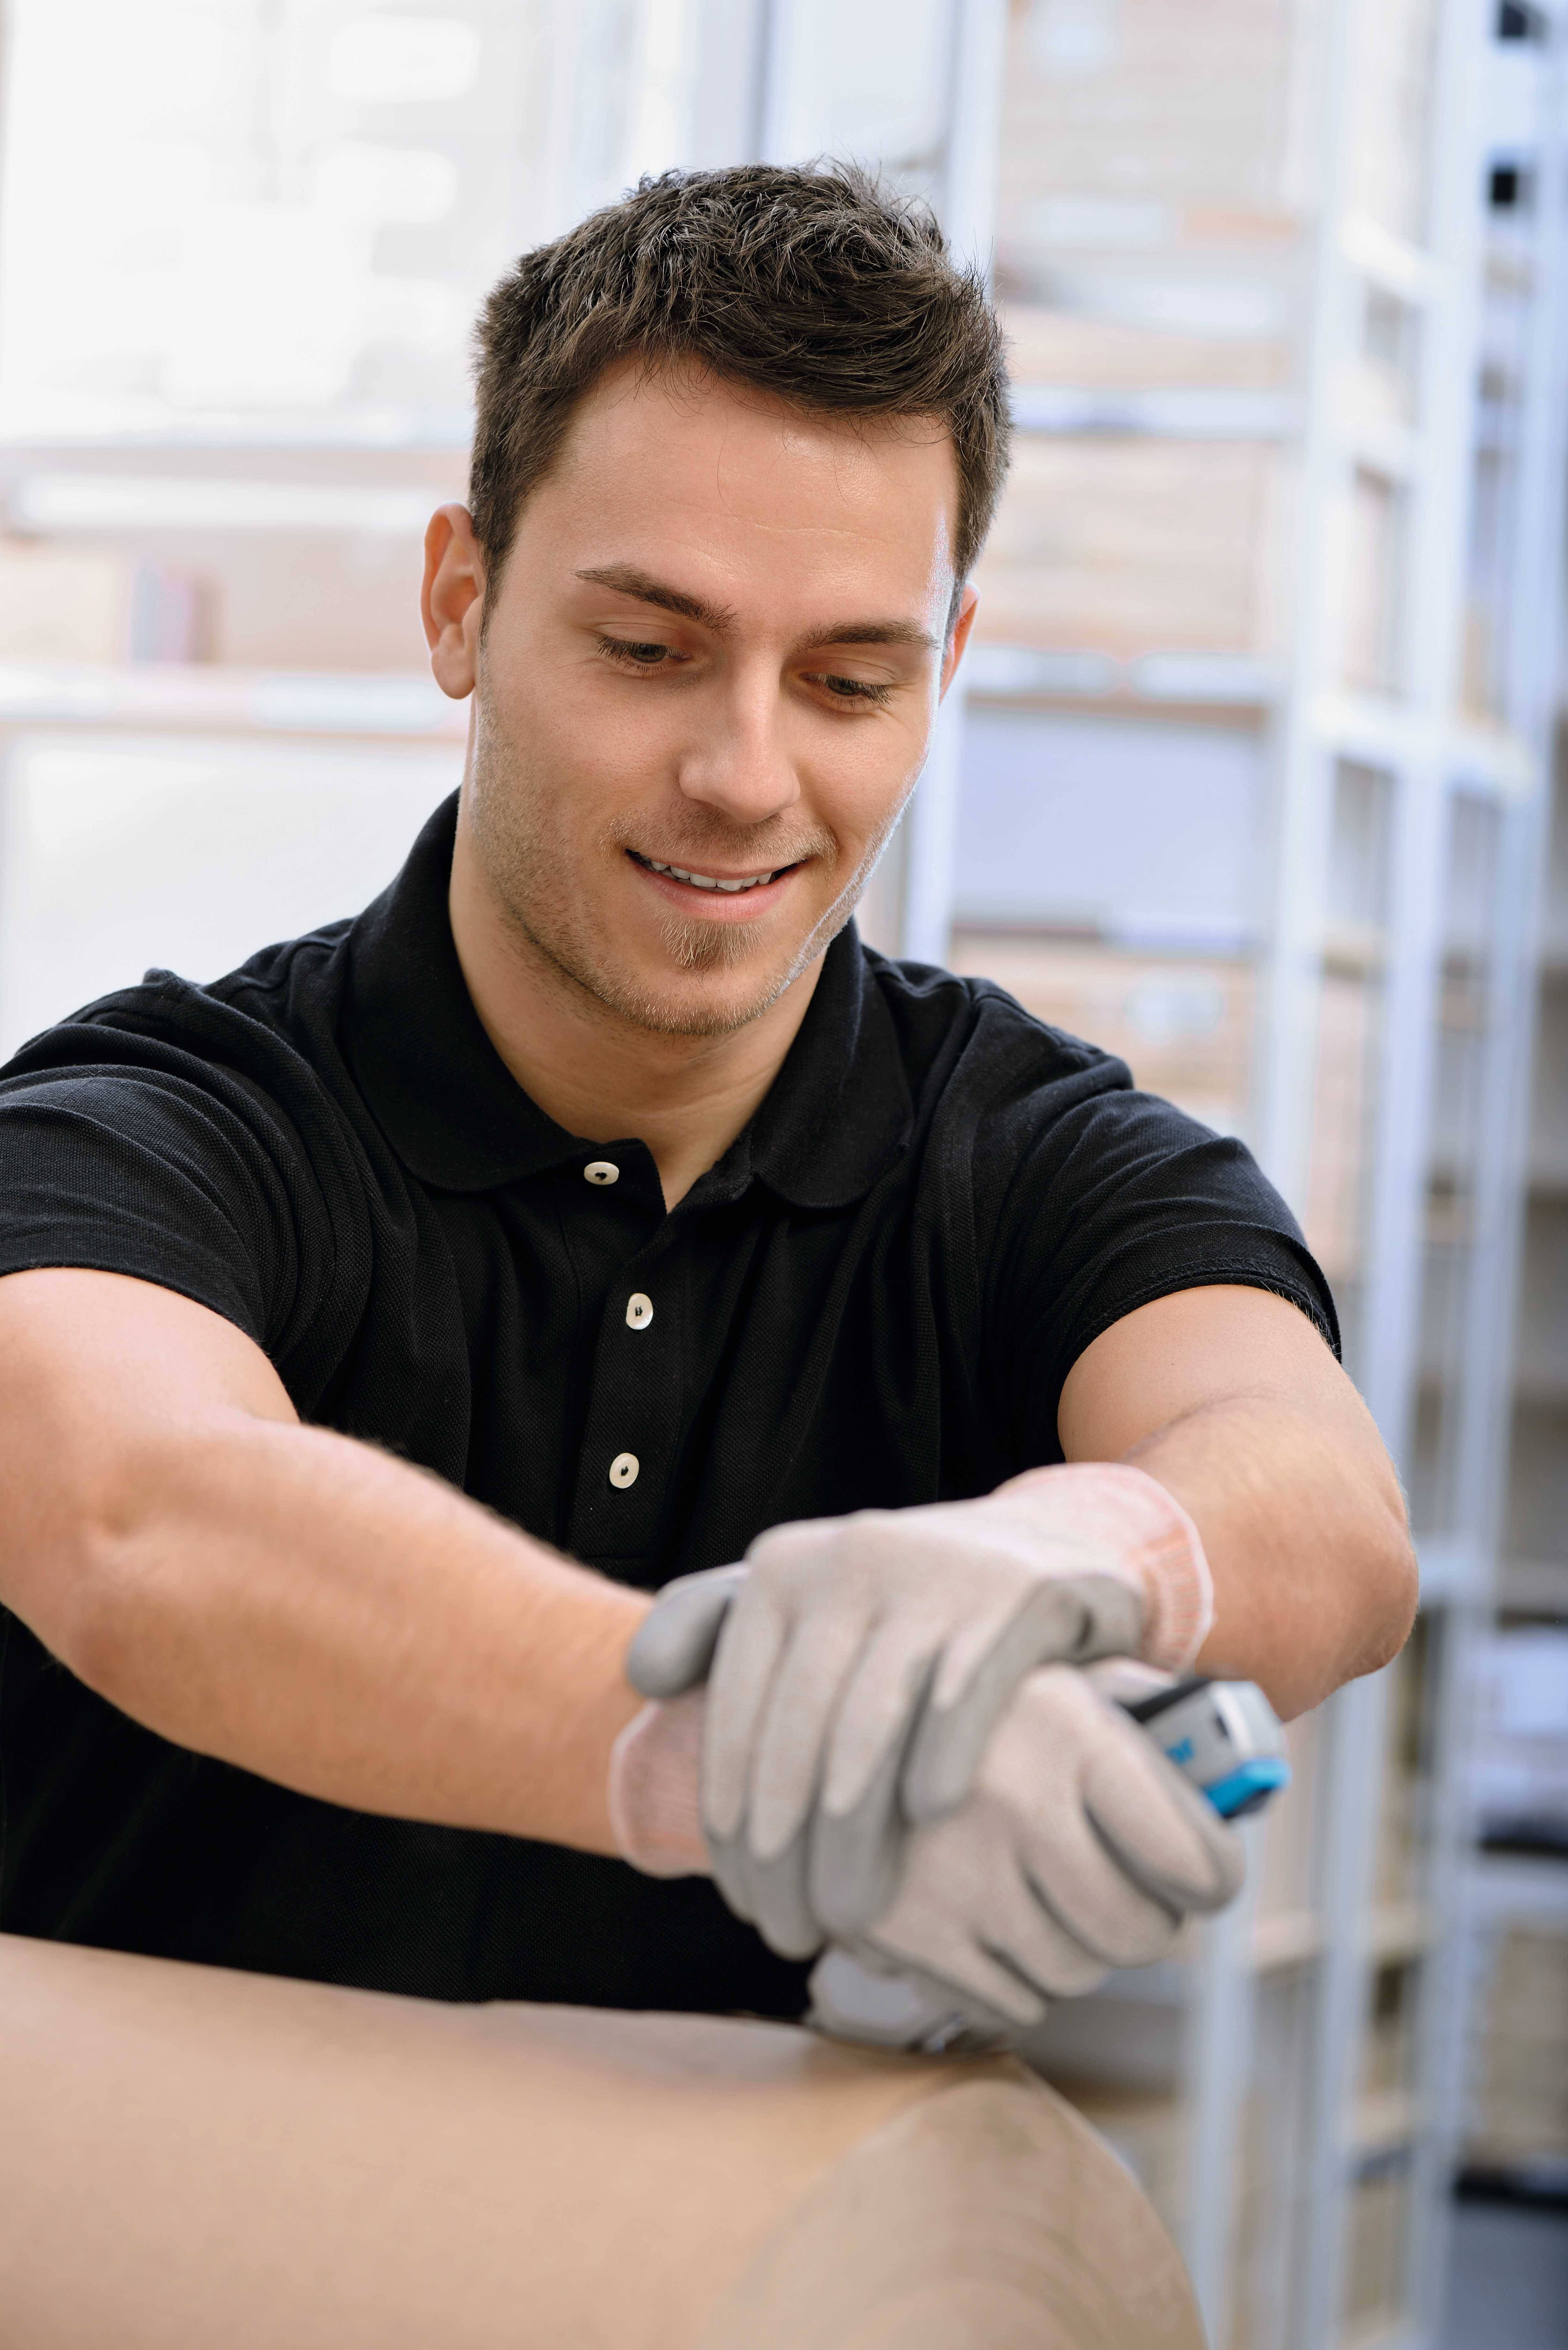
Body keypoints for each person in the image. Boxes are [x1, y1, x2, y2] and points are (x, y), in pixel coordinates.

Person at [0, 166, 1414, 2034]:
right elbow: (139, 1520)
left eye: (848, 679)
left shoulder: (1024, 1158)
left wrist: (1082, 1558)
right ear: (463, 602)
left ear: (947, 672)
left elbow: (1320, 1501)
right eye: (650, 650)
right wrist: (731, 1757)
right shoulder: (173, 1119)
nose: (749, 773)